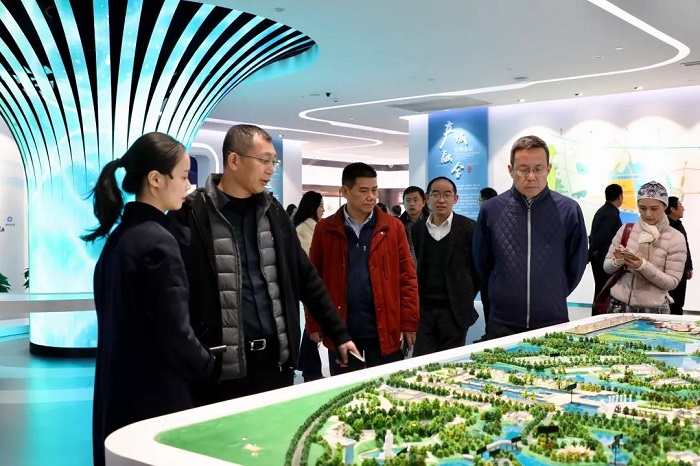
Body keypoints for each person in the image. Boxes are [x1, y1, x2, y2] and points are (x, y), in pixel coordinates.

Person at [170, 124, 358, 403]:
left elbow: (306, 279)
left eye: (274, 162)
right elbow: (174, 298)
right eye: (264, 160)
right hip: (218, 369)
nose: (271, 169)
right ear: (234, 160)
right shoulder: (192, 214)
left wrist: (339, 334)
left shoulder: (273, 212)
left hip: (275, 363)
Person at [85, 133, 217, 466]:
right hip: (155, 397)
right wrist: (208, 364)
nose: (188, 186)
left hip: (119, 393)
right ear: (156, 179)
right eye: (183, 176)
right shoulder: (157, 242)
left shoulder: (120, 238)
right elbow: (174, 332)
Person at [307, 162, 419, 374]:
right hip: (342, 329)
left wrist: (409, 322)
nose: (371, 197)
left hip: (384, 327)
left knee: (386, 386)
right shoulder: (326, 228)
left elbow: (407, 278)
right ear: (345, 192)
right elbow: (313, 280)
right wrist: (313, 323)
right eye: (364, 190)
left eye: (374, 190)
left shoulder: (392, 227)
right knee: (345, 389)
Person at [473, 135, 588, 339]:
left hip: (553, 320)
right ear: (511, 170)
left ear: (548, 169)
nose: (531, 176)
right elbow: (482, 263)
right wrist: (498, 294)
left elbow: (576, 264)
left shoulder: (569, 210)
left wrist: (555, 293)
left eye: (538, 168)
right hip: (502, 321)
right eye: (524, 169)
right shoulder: (491, 210)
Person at [411, 177, 480, 356]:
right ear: (427, 198)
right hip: (424, 311)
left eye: (447, 195)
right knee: (421, 361)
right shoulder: (417, 229)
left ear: (455, 198)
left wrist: (465, 295)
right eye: (436, 194)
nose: (441, 200)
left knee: (450, 364)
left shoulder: (470, 228)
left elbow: (477, 270)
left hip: (454, 312)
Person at [604, 182, 687, 313]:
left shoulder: (675, 238)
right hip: (618, 305)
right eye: (642, 208)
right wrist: (618, 260)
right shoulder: (626, 230)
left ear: (665, 206)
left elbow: (672, 282)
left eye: (654, 209)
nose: (648, 214)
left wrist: (643, 266)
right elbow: (607, 267)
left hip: (653, 309)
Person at [292, 191, 325, 381]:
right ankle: (311, 369)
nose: (323, 210)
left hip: (313, 284)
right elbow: (309, 263)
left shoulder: (312, 227)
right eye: (320, 206)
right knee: (313, 326)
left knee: (312, 327)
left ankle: (308, 366)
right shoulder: (305, 229)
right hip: (311, 285)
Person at [588, 184, 623, 307]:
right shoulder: (611, 213)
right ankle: (599, 315)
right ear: (619, 197)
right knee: (603, 291)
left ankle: (598, 314)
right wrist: (594, 252)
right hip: (603, 258)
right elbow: (602, 236)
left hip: (598, 257)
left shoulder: (603, 210)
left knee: (600, 289)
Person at [666, 196, 693, 315]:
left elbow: (685, 247)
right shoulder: (665, 226)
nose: (683, 208)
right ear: (672, 209)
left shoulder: (679, 225)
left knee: (679, 301)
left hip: (682, 270)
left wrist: (689, 267)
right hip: (669, 270)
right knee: (670, 301)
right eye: (680, 206)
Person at [477, 186, 498, 335]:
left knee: (490, 306)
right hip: (490, 274)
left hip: (489, 273)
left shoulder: (486, 219)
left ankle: (491, 334)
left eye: (479, 200)